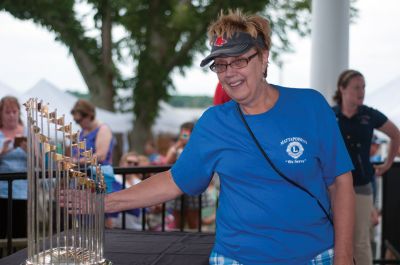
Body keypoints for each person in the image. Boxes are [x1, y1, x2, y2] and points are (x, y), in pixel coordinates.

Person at [102, 10, 355, 264]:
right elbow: (174, 181)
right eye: (221, 65)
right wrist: (105, 203)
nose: (229, 72)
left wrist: (343, 258)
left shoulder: (310, 106)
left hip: (313, 256)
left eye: (239, 61)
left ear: (264, 57)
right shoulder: (213, 123)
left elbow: (341, 183)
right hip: (237, 258)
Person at [332, 69, 400, 265]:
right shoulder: (330, 115)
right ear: (342, 89)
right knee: (336, 239)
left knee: (360, 241)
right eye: (356, 87)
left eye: (363, 87)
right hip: (334, 187)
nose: (361, 91)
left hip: (361, 185)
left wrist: (387, 164)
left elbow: (396, 135)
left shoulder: (369, 115)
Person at [0, 96, 28, 239]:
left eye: (14, 111)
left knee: (20, 235)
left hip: (22, 193)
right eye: (7, 112)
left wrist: (29, 150)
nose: (11, 115)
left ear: (19, 112)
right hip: (1, 192)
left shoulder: (28, 132)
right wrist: (3, 151)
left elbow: (42, 163)